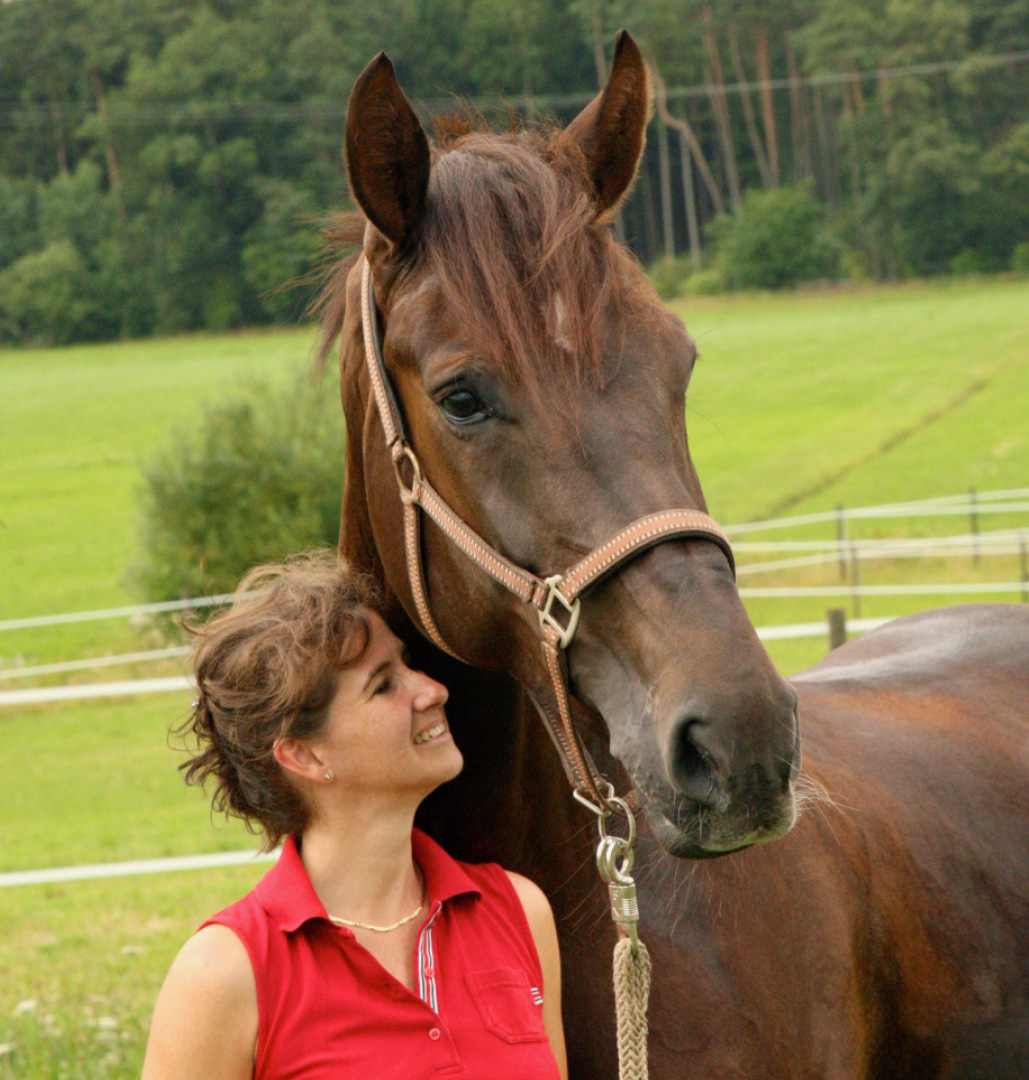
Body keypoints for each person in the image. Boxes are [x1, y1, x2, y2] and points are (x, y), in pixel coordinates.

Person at [141, 550, 567, 1080]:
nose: (433, 691)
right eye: (384, 684)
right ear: (305, 755)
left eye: (407, 665)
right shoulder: (226, 974)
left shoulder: (521, 914)